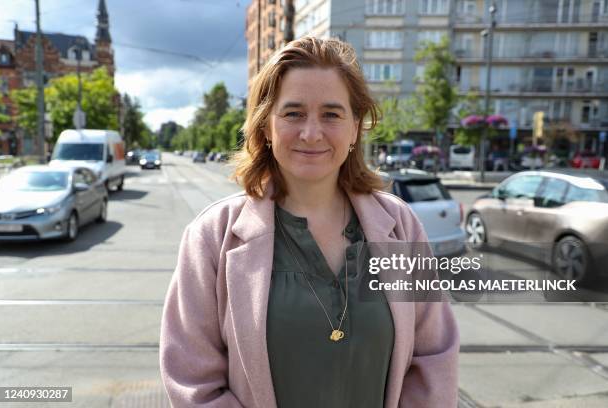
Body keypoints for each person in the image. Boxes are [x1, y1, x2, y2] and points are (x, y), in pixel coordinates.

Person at [160, 36, 459, 408]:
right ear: (266, 127)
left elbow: (433, 358)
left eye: (331, 114)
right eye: (293, 113)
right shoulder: (212, 237)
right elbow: (193, 381)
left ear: (355, 128)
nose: (311, 132)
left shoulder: (400, 226)